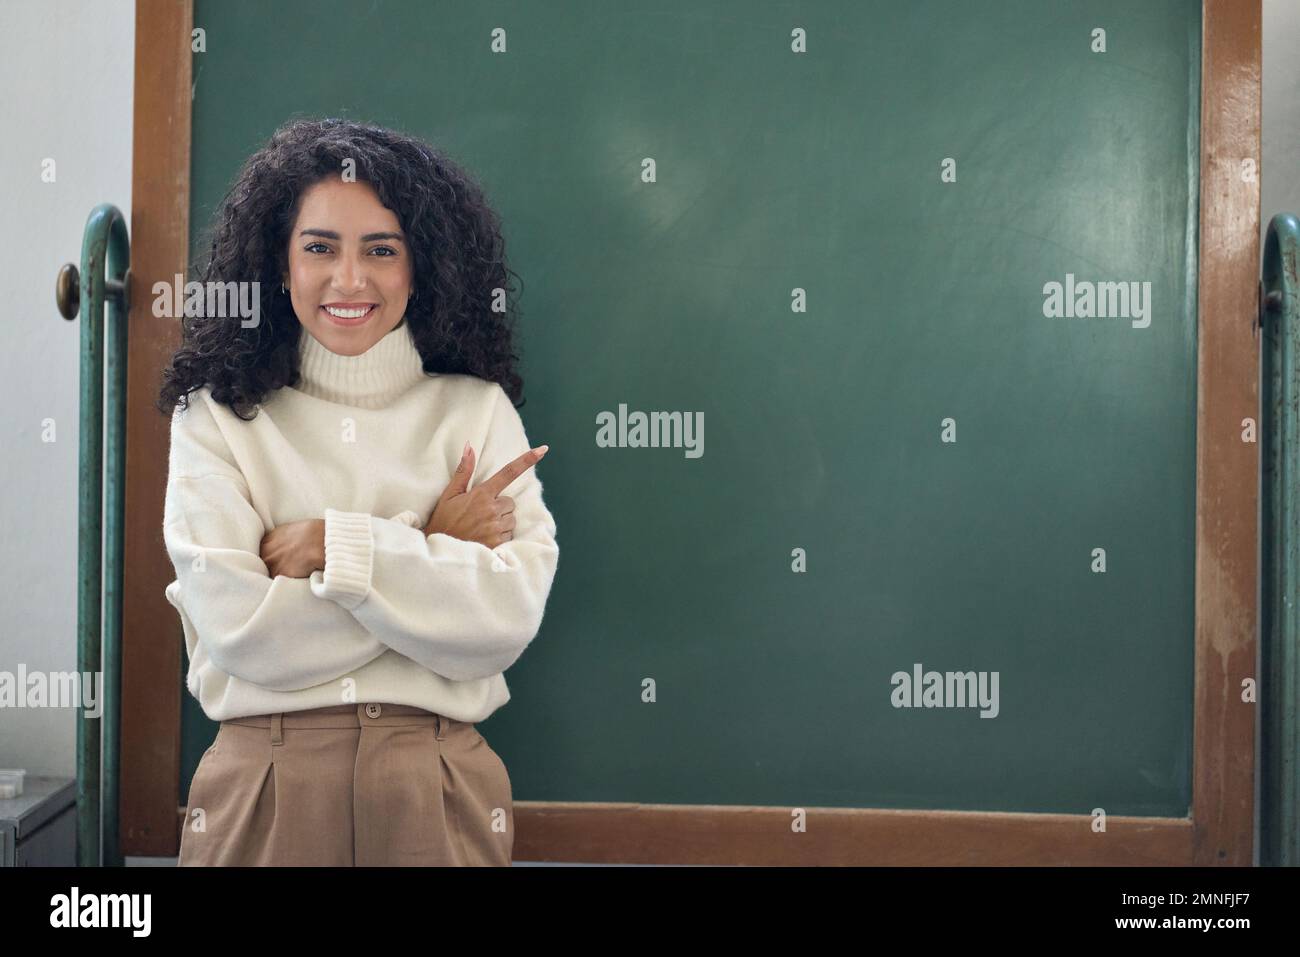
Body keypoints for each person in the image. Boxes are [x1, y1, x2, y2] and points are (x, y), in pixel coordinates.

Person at [156, 117, 559, 866]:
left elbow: (503, 621)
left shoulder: (477, 412)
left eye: (381, 249)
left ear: (421, 266)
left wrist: (330, 548)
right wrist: (433, 550)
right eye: (319, 248)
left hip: (436, 790)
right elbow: (245, 633)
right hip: (264, 790)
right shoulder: (214, 416)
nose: (349, 279)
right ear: (279, 263)